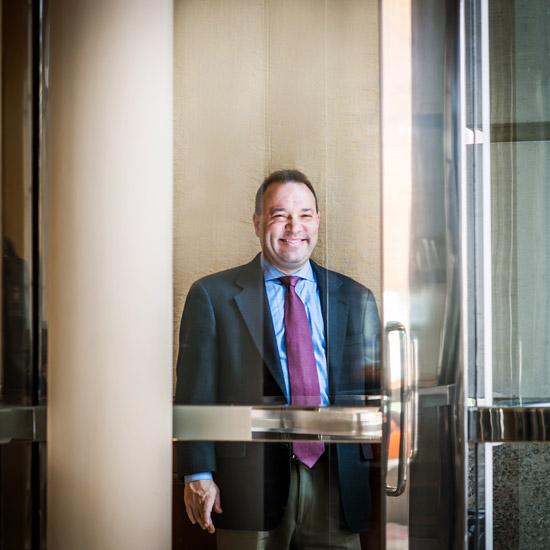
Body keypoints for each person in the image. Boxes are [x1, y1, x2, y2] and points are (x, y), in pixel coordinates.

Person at [175, 169, 380, 549]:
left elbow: (372, 394)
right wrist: (197, 473)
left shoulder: (356, 298)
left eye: (304, 214)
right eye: (279, 214)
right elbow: (194, 393)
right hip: (247, 484)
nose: (293, 226)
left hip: (337, 481)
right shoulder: (212, 296)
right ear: (257, 223)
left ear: (317, 221)